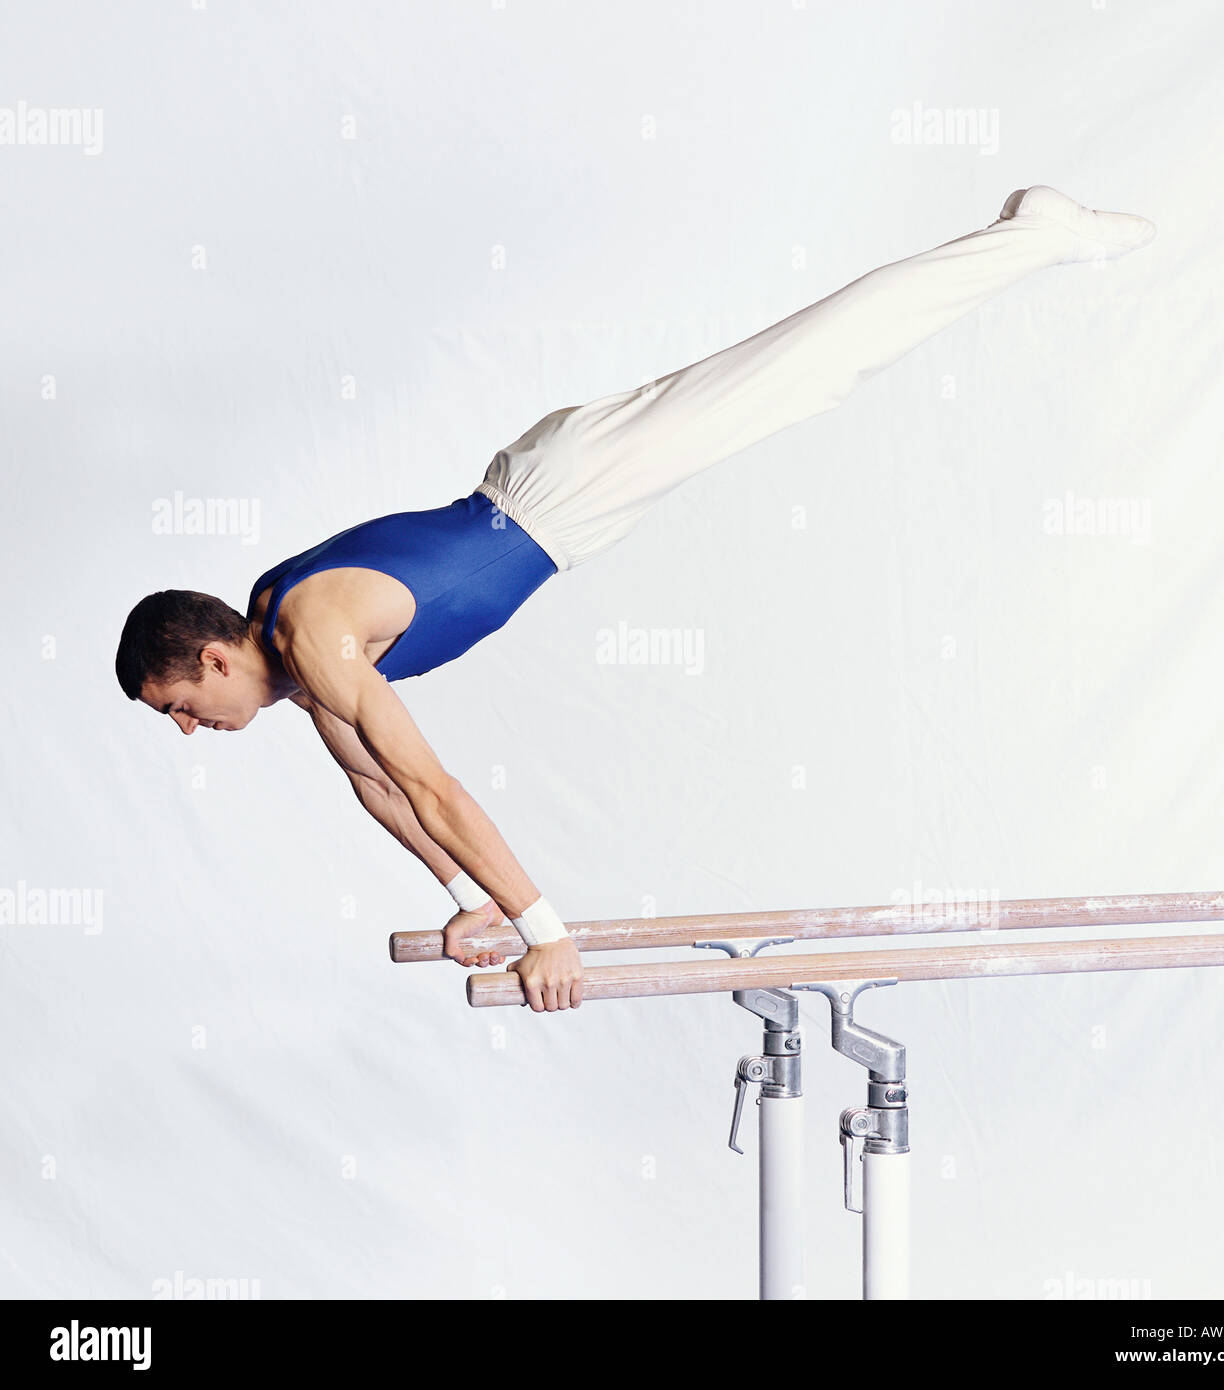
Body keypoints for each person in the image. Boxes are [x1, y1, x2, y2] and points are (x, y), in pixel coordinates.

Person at [114, 185, 1156, 1013]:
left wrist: (545, 928)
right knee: (805, 372)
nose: (190, 729)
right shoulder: (293, 659)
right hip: (554, 502)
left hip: (564, 490)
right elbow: (377, 790)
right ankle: (1017, 237)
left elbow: (428, 785)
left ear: (209, 658)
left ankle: (1032, 233)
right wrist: (465, 901)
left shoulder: (314, 632)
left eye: (177, 706)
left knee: (811, 367)